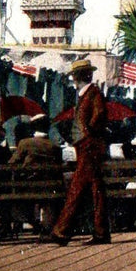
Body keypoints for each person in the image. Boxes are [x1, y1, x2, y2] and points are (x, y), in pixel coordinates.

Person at [48, 59, 110, 245]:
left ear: (78, 77)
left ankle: (62, 230)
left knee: (77, 189)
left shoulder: (93, 94)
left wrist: (88, 133)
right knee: (95, 190)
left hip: (89, 148)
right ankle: (100, 232)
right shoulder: (87, 95)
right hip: (87, 148)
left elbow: (99, 115)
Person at [9, 113, 61, 234]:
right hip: (50, 186)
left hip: (29, 185)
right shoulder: (55, 147)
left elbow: (12, 163)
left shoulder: (25, 143)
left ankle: (30, 221)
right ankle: (47, 224)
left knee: (18, 191)